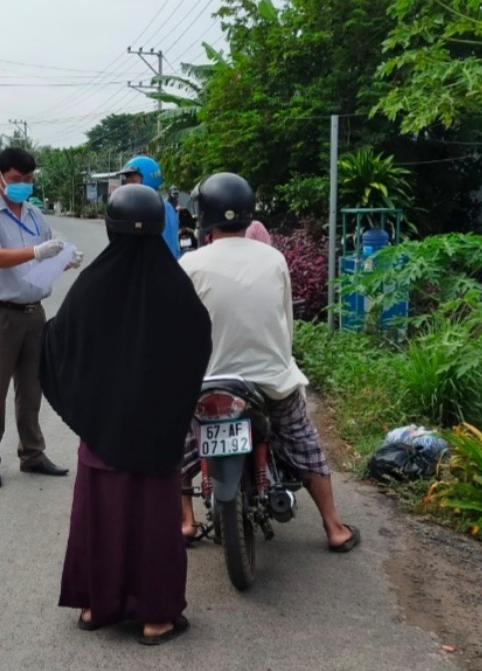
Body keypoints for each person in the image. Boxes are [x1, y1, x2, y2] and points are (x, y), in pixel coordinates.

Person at [42, 184, 212, 645]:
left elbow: (58, 343)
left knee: (99, 517)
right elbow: (199, 344)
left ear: (111, 227)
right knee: (154, 521)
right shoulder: (176, 287)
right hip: (156, 436)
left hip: (102, 432)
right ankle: (155, 618)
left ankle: (96, 606)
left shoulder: (92, 285)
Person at [178, 172, 360, 553]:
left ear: (205, 217)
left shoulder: (189, 264)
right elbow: (284, 323)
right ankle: (334, 527)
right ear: (248, 214)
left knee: (173, 444)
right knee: (303, 441)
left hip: (205, 384)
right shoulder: (274, 258)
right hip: (269, 384)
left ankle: (186, 521)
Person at [0, 147, 82, 489]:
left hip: (34, 314)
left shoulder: (34, 215)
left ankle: (32, 453)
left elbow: (47, 253)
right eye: (17, 180)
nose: (23, 186)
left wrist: (64, 258)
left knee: (32, 390)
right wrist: (34, 252)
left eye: (29, 180)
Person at [119, 155, 180, 258]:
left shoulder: (151, 209)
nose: (129, 186)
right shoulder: (163, 206)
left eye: (133, 181)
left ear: (148, 180)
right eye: (127, 182)